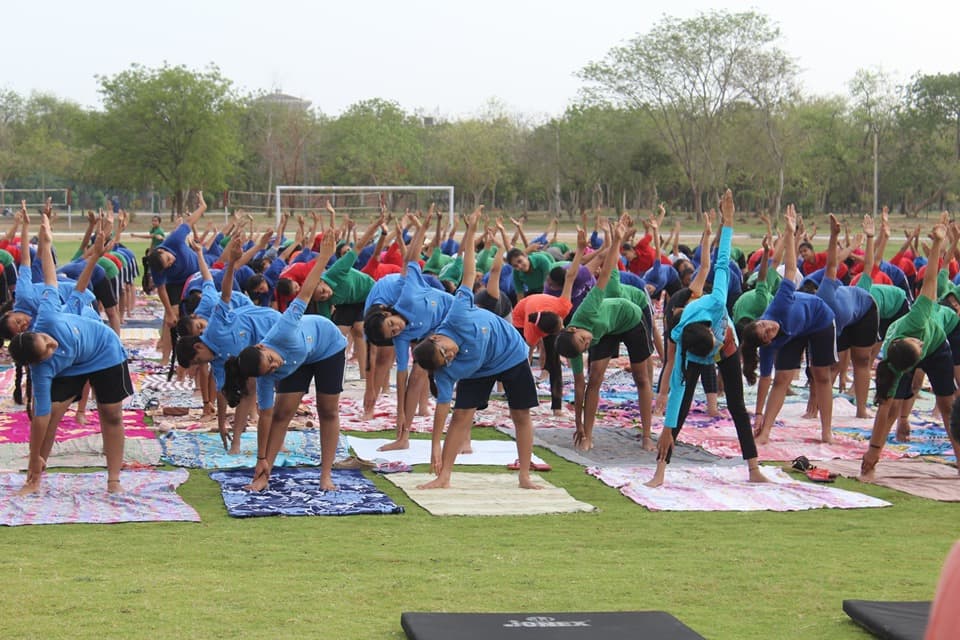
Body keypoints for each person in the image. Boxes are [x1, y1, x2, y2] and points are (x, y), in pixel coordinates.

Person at [412, 207, 541, 490]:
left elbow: (468, 272)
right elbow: (443, 411)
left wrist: (470, 233)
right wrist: (434, 447)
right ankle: (444, 476)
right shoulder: (446, 372)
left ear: (436, 338)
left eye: (445, 351)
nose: (450, 355)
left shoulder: (456, 314)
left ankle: (525, 476)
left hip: (511, 353)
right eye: (445, 360)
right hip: (480, 368)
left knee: (520, 414)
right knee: (462, 415)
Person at [646, 190, 768, 487]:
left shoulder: (716, 301)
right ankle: (659, 472)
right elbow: (675, 389)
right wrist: (667, 427)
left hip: (728, 347)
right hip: (699, 352)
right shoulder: (682, 340)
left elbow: (722, 262)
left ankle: (753, 468)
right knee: (682, 408)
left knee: (738, 407)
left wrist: (728, 222)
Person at [11, 213, 132, 495]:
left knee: (111, 413)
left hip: (105, 350)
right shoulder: (43, 370)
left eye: (47, 341)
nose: (52, 345)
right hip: (73, 366)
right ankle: (35, 479)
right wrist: (33, 460)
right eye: (47, 352)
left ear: (37, 331)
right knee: (52, 412)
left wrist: (47, 239)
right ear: (38, 362)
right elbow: (39, 418)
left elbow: (51, 271)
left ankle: (113, 480)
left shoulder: (49, 316)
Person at [223, 232, 345, 491]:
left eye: (271, 361)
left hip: (328, 344)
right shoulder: (268, 376)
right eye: (271, 369)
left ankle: (325, 475)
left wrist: (323, 257)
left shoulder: (283, 328)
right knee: (281, 414)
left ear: (262, 347)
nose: (275, 365)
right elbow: (266, 418)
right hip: (301, 360)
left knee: (327, 409)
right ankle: (264, 476)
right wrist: (260, 460)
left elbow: (308, 291)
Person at [860, 215, 960, 481]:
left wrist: (938, 242)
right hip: (911, 355)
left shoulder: (918, 318)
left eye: (916, 344)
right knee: (891, 408)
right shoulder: (892, 363)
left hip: (939, 341)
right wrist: (872, 452)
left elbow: (930, 281)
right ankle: (873, 461)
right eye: (918, 347)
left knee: (947, 404)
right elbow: (884, 410)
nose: (919, 345)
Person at [555, 215, 655, 452]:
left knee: (641, 378)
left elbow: (607, 273)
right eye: (585, 347)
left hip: (630, 319)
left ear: (573, 329)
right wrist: (578, 427)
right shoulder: (575, 348)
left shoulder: (587, 310)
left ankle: (647, 436)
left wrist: (617, 241)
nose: (587, 342)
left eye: (583, 340)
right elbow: (580, 388)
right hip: (607, 332)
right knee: (594, 380)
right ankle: (590, 435)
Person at [741, 204, 838, 444]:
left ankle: (826, 430)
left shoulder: (779, 304)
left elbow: (791, 269)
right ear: (768, 342)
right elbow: (766, 379)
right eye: (767, 335)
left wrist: (790, 233)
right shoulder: (769, 347)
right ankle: (766, 433)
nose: (769, 330)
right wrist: (759, 415)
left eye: (765, 326)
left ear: (762, 319)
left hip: (820, 319)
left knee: (821, 375)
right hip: (795, 335)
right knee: (782, 379)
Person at [511, 228, 587, 415]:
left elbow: (570, 275)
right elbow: (525, 354)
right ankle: (519, 398)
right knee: (519, 358)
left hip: (542, 306)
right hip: (522, 314)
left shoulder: (563, 306)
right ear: (542, 332)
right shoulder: (531, 332)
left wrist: (580, 249)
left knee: (554, 362)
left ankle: (557, 406)